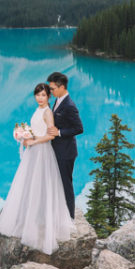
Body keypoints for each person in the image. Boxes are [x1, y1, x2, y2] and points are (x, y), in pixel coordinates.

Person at [0, 83, 74, 254]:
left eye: (43, 95)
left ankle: (42, 222)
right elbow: (36, 129)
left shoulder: (47, 112)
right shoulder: (38, 110)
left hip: (42, 152)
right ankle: (31, 218)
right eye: (37, 95)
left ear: (49, 97)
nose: (40, 98)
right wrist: (26, 136)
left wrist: (33, 141)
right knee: (29, 182)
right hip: (32, 151)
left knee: (41, 183)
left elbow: (50, 135)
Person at [47, 72, 83, 219]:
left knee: (66, 185)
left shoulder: (69, 105)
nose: (51, 91)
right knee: (58, 183)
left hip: (66, 153)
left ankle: (70, 218)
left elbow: (79, 128)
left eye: (52, 88)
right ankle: (60, 213)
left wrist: (60, 132)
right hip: (57, 150)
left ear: (62, 87)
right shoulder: (58, 100)